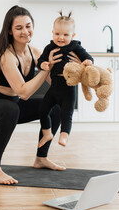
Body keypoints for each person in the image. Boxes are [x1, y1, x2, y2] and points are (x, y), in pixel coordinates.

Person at [0, 6, 81, 185]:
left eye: (28, 26)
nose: (25, 31)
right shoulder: (6, 56)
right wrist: (47, 69)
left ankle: (41, 158)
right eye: (19, 28)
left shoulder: (35, 52)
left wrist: (74, 69)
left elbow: (56, 85)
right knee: (11, 108)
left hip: (12, 105)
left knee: (55, 105)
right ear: (10, 30)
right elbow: (23, 92)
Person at [37, 11, 94, 148]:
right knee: (43, 110)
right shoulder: (50, 47)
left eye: (65, 35)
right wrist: (43, 64)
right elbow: (40, 60)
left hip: (69, 88)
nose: (61, 38)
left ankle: (64, 135)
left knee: (66, 114)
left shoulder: (75, 47)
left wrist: (87, 61)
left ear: (72, 35)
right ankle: (47, 133)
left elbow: (88, 57)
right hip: (54, 87)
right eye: (57, 34)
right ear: (52, 33)